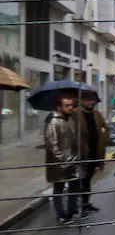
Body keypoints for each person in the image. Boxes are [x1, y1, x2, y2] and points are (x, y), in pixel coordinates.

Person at [45, 92, 81, 225]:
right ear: (59, 107)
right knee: (59, 189)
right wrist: (64, 161)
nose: (71, 108)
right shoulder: (53, 122)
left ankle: (71, 211)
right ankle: (61, 215)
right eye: (67, 106)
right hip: (59, 163)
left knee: (75, 186)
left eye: (72, 105)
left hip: (72, 160)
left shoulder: (69, 119)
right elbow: (52, 145)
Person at [72, 92, 108, 213]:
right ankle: (77, 205)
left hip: (94, 153)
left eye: (93, 100)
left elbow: (104, 127)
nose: (91, 102)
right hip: (81, 153)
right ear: (81, 101)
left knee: (87, 179)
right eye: (87, 100)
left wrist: (105, 137)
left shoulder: (96, 114)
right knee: (80, 180)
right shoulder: (75, 114)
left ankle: (85, 202)